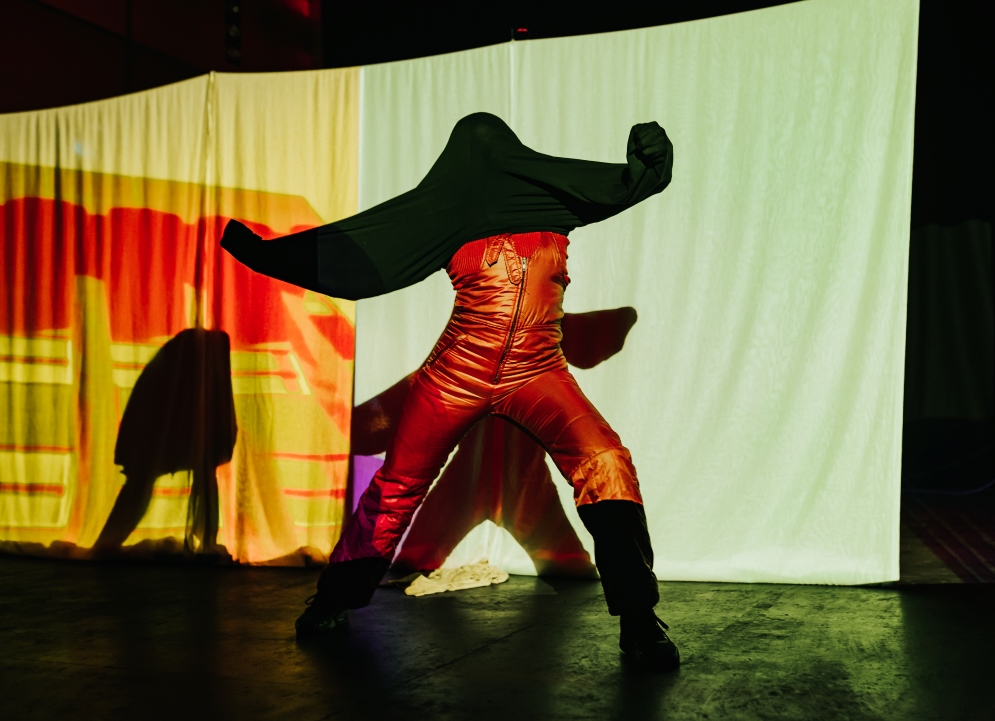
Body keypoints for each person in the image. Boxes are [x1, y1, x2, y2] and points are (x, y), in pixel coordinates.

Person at [220, 113, 678, 670]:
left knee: (606, 460)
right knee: (397, 486)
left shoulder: (558, 203)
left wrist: (648, 158)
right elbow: (361, 250)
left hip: (538, 371)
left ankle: (639, 620)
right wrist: (268, 254)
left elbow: (627, 185)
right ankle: (334, 597)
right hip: (456, 373)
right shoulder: (442, 217)